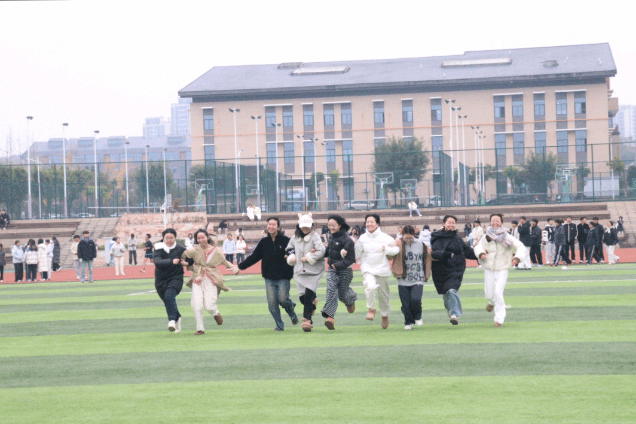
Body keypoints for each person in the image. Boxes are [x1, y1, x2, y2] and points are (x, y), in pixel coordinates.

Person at [238, 217, 299, 331]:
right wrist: (240, 266)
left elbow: (294, 253)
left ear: (278, 227)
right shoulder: (263, 242)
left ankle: (291, 310)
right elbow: (254, 257)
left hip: (284, 276)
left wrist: (291, 256)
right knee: (272, 304)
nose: (271, 226)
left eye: (273, 224)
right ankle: (279, 325)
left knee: (283, 299)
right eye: (269, 224)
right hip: (269, 277)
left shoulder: (286, 240)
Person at [182, 228, 237, 335]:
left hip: (211, 279)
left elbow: (225, 262)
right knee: (196, 304)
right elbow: (183, 256)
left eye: (203, 237)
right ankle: (200, 328)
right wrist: (186, 263)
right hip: (197, 278)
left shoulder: (215, 251)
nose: (201, 240)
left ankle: (215, 312)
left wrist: (234, 268)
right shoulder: (194, 250)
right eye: (198, 238)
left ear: (207, 237)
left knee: (209, 306)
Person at [474, 214, 526, 327]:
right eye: (493, 221)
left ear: (501, 222)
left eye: (497, 221)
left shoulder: (507, 236)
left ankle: (499, 319)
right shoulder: (486, 236)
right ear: (490, 222)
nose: (495, 223)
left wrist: (517, 258)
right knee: (489, 294)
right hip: (489, 267)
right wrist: (481, 254)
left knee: (498, 292)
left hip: (502, 268)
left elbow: (521, 246)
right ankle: (491, 302)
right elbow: (478, 247)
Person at [430, 215, 478, 325]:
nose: (451, 225)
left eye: (453, 223)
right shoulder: (437, 237)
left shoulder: (457, 237)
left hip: (456, 269)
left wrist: (479, 255)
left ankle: (454, 315)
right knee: (446, 293)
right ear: (444, 224)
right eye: (449, 223)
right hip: (441, 270)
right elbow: (434, 253)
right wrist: (447, 254)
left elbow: (466, 250)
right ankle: (450, 309)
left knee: (452, 290)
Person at [355, 214, 400, 329]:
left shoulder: (386, 238)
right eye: (367, 222)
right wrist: (346, 251)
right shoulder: (362, 238)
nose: (369, 224)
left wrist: (387, 249)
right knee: (370, 287)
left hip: (382, 269)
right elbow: (356, 254)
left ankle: (385, 315)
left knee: (383, 296)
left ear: (377, 224)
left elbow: (396, 250)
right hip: (368, 268)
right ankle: (371, 309)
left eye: (372, 222)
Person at [286, 213, 326, 332]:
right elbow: (289, 249)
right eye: (303, 227)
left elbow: (321, 251)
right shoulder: (295, 238)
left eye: (307, 227)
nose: (305, 229)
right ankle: (314, 303)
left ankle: (307, 320)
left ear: (311, 226)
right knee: (302, 298)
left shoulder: (315, 237)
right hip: (299, 271)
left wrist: (309, 257)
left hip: (313, 271)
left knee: (308, 297)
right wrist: (291, 257)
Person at [319, 214, 358, 330]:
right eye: (329, 225)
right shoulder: (331, 237)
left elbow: (351, 259)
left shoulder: (348, 240)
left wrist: (338, 265)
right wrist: (319, 252)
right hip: (332, 269)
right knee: (331, 290)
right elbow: (330, 251)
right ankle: (330, 317)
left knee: (342, 294)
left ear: (339, 225)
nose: (331, 227)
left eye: (333, 225)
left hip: (345, 270)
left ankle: (350, 300)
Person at [391, 225, 431, 330]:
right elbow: (390, 255)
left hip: (418, 277)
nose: (408, 240)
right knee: (405, 304)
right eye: (406, 238)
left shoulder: (421, 244)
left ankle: (418, 316)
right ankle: (409, 322)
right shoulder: (398, 243)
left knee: (416, 299)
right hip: (403, 278)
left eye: (410, 238)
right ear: (402, 235)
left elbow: (429, 255)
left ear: (414, 235)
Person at [153, 228, 187, 333]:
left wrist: (186, 263)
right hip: (161, 279)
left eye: (171, 238)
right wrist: (172, 261)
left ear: (175, 238)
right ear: (163, 238)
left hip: (176, 277)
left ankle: (171, 320)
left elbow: (190, 259)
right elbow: (157, 262)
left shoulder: (180, 248)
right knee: (168, 301)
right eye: (167, 238)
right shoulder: (158, 248)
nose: (169, 240)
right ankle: (177, 317)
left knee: (169, 295)